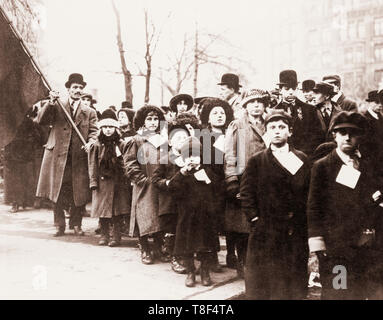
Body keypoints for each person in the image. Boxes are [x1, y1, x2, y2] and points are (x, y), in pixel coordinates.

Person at [307, 111, 383, 299]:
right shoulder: (322, 166)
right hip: (336, 248)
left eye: (353, 133)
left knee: (364, 291)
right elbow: (314, 207)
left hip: (367, 247)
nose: (347, 137)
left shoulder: (368, 166)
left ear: (360, 137)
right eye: (342, 133)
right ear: (334, 135)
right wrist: (317, 245)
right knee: (338, 291)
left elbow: (375, 200)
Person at [241, 110, 310, 300]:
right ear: (266, 132)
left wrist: (302, 223)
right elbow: (246, 193)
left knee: (292, 283)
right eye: (272, 127)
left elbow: (308, 192)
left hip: (294, 231)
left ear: (290, 132)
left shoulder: (302, 159)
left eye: (282, 127)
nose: (277, 131)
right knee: (263, 283)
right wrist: (255, 219)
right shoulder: (257, 160)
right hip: (265, 231)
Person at [35, 73, 98, 236]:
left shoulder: (89, 111)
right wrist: (50, 102)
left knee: (78, 191)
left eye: (80, 88)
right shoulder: (57, 105)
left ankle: (76, 224)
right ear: (68, 89)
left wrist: (91, 142)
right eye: (74, 87)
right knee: (58, 190)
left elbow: (94, 131)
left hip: (78, 157)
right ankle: (59, 224)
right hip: (57, 155)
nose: (78, 90)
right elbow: (41, 120)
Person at [224, 89, 269, 277]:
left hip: (267, 179)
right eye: (252, 102)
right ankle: (243, 262)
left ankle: (260, 262)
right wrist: (232, 179)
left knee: (263, 221)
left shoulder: (271, 124)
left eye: (260, 101)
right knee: (242, 224)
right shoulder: (238, 125)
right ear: (245, 106)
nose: (256, 105)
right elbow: (230, 154)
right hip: (245, 179)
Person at [167, 136, 220, 287]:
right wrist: (183, 172)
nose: (192, 159)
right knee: (187, 247)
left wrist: (207, 179)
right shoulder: (181, 174)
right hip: (187, 217)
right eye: (189, 156)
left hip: (205, 217)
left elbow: (217, 189)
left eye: (195, 156)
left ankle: (205, 271)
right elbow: (172, 188)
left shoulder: (207, 172)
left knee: (205, 246)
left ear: (201, 157)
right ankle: (190, 271)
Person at [152, 114, 200, 274]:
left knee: (186, 229)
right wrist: (166, 183)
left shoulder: (192, 158)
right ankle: (174, 257)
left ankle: (188, 257)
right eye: (177, 138)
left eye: (184, 138)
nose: (181, 141)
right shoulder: (166, 158)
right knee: (172, 229)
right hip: (170, 201)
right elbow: (156, 179)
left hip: (187, 202)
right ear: (170, 142)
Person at [124, 105, 169, 264]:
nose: (153, 122)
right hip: (144, 184)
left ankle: (158, 246)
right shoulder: (136, 140)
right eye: (149, 119)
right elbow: (130, 163)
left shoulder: (163, 140)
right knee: (144, 215)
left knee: (158, 216)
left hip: (160, 185)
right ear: (142, 121)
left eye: (156, 119)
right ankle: (144, 247)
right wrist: (141, 179)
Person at [199, 98, 234, 273]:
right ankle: (212, 257)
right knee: (212, 221)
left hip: (232, 181)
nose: (220, 116)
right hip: (212, 185)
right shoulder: (204, 136)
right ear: (208, 117)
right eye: (215, 113)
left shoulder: (232, 133)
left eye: (222, 113)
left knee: (232, 220)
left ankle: (233, 255)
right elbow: (207, 164)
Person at [88, 109, 130, 247]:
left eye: (110, 127)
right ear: (101, 129)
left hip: (118, 182)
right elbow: (92, 164)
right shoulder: (97, 145)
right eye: (105, 127)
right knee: (103, 211)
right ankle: (104, 235)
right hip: (102, 183)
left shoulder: (122, 144)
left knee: (117, 212)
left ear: (116, 128)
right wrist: (93, 181)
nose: (107, 130)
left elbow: (127, 163)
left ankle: (116, 236)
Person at [4, 106, 46, 212]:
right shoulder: (11, 122)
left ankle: (20, 202)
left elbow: (38, 138)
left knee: (23, 178)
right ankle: (17, 202)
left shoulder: (29, 123)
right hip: (14, 154)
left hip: (24, 154)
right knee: (17, 179)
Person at [275, 70, 323, 158]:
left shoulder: (310, 109)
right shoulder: (274, 112)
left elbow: (317, 136)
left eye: (293, 88)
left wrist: (303, 155)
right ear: (280, 90)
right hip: (281, 158)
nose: (291, 92)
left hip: (306, 157)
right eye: (287, 89)